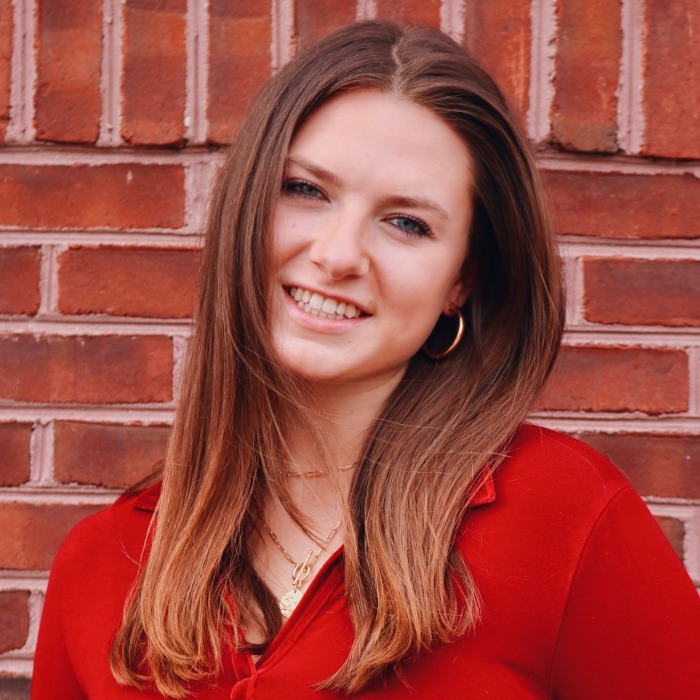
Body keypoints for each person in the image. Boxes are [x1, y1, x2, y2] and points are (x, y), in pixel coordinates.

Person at [32, 20, 700, 700]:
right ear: (245, 208)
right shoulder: (101, 566)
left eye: (407, 222)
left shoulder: (564, 518)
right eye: (306, 190)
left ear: (460, 281)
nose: (338, 254)